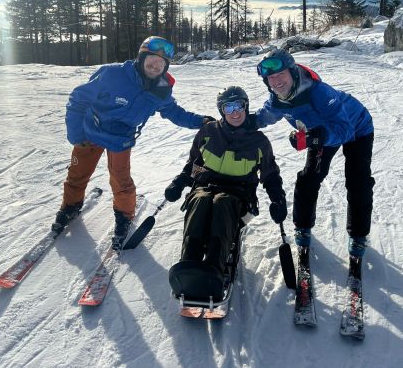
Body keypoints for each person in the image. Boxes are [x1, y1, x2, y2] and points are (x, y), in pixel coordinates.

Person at [52, 36, 214, 250]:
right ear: (141, 57)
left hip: (120, 140)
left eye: (161, 63)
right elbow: (78, 99)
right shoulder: (112, 75)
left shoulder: (161, 90)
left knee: (121, 181)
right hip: (90, 133)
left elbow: (174, 112)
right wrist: (76, 135)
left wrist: (200, 122)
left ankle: (124, 217)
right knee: (77, 173)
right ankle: (70, 206)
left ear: (166, 67)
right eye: (152, 59)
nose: (155, 66)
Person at [255, 49, 375, 260]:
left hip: (357, 128)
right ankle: (302, 226)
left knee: (358, 182)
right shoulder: (277, 99)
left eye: (280, 74)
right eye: (270, 78)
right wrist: (240, 122)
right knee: (309, 178)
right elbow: (265, 115)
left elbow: (345, 131)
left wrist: (312, 139)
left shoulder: (319, 93)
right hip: (319, 133)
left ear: (292, 72)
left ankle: (358, 234)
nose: (276, 81)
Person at [164, 86, 287, 288]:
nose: (235, 112)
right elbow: (195, 164)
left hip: (239, 193)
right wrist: (179, 182)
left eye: (239, 106)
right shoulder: (208, 132)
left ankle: (214, 267)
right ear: (222, 110)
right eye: (228, 108)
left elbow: (270, 174)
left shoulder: (258, 141)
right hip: (207, 185)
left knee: (222, 202)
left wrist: (277, 199)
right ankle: (189, 263)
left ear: (246, 107)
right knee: (200, 200)